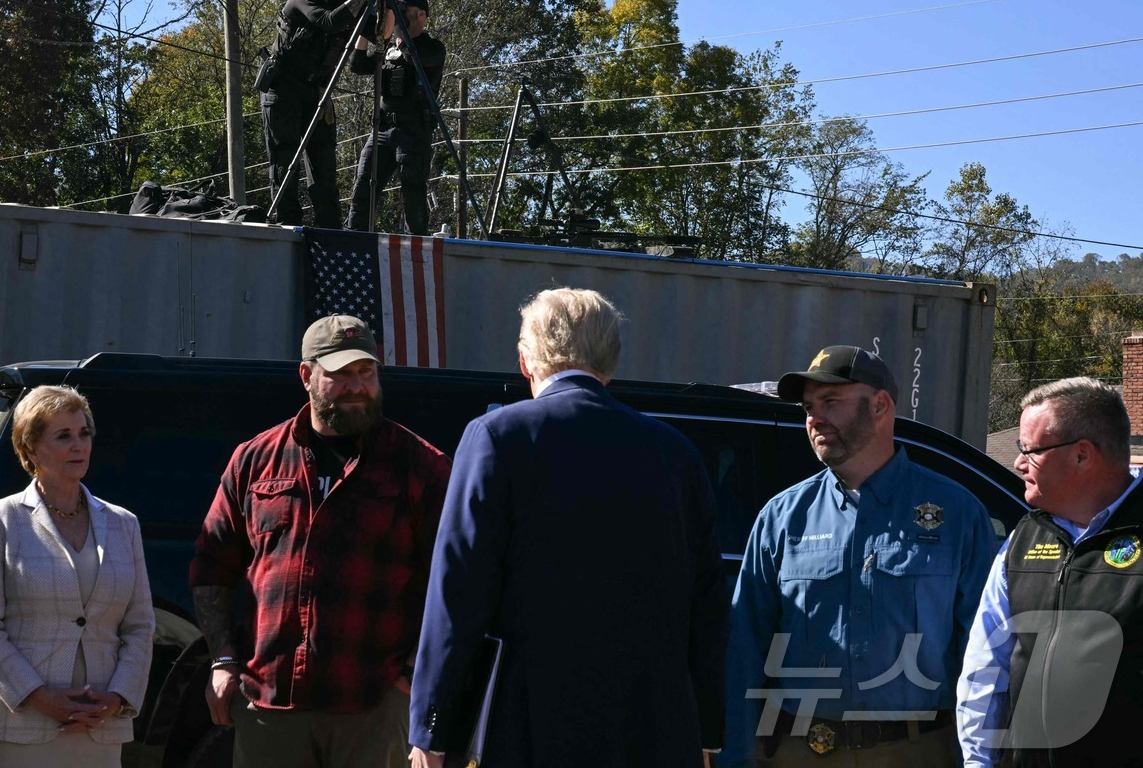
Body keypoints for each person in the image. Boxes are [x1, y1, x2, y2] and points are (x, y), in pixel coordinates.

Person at [408, 287, 727, 768]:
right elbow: (707, 607)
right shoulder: (676, 452)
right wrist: (705, 735)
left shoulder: (497, 437)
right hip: (656, 730)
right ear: (611, 361)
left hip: (530, 726)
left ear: (524, 361)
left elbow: (458, 593)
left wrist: (432, 730)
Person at [190, 314, 451, 768]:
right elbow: (213, 565)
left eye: (366, 372)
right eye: (342, 374)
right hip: (269, 705)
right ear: (307, 375)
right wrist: (223, 659)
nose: (357, 386)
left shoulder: (420, 466)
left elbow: (451, 584)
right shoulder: (255, 460)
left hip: (373, 704)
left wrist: (410, 677)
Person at [724, 345, 996, 767]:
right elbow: (745, 650)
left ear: (880, 405)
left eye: (831, 402)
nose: (814, 418)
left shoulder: (956, 513)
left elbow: (984, 651)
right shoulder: (782, 517)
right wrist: (737, 757)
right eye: (809, 406)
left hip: (919, 751)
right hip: (802, 750)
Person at [0, 384, 154, 766]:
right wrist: (37, 695)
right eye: (63, 436)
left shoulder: (123, 524)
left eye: (84, 434)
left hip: (96, 726)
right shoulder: (0, 518)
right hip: (15, 724)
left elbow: (140, 626)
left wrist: (118, 697)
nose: (78, 445)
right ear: (31, 448)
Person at [957, 378, 1143, 768]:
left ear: (1081, 455)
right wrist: (978, 763)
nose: (1017, 462)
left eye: (1029, 450)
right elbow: (985, 671)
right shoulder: (1023, 540)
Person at [261, 0, 392, 227]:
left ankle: (330, 230)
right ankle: (286, 227)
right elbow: (329, 21)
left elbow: (382, 35)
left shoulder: (358, 0)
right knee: (285, 162)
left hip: (317, 91)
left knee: (324, 167)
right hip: (284, 89)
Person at [347, 0, 447, 235]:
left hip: (413, 129)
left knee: (412, 189)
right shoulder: (388, 49)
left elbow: (415, 59)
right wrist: (366, 28)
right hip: (382, 128)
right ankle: (353, 235)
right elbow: (357, 64)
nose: (397, 17)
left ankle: (416, 242)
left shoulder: (432, 48)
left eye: (404, 13)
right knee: (363, 185)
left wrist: (399, 36)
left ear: (421, 16)